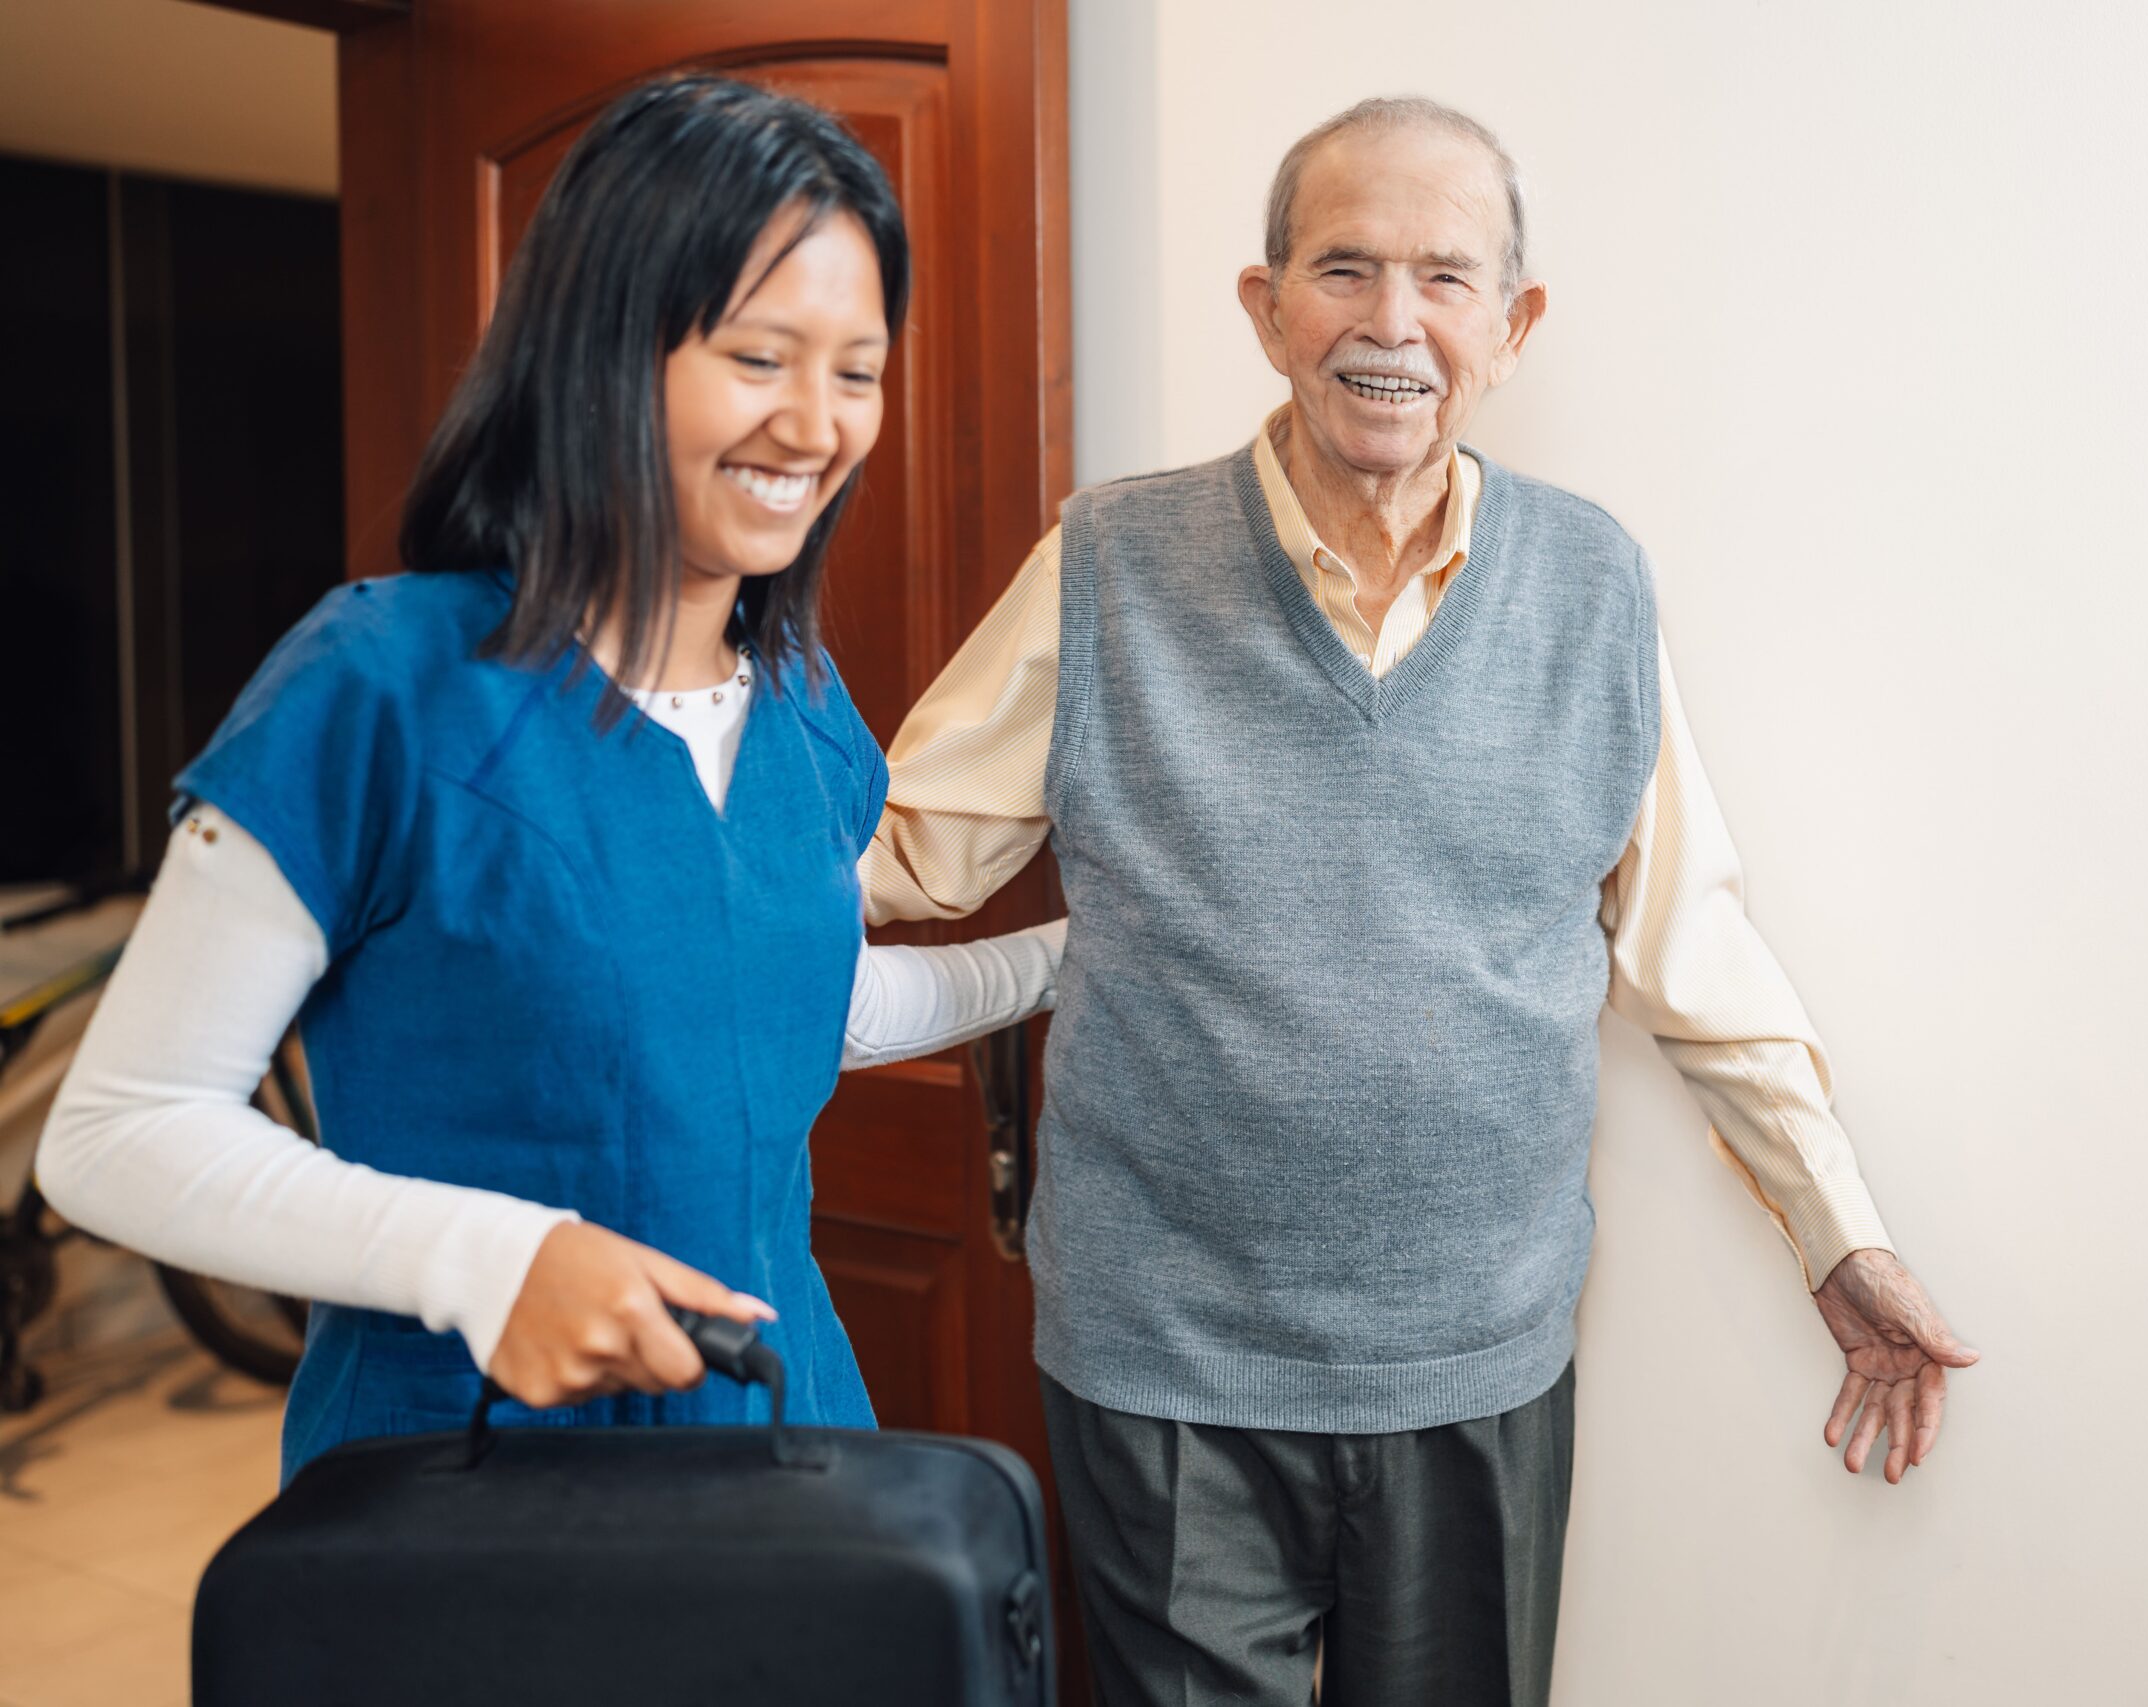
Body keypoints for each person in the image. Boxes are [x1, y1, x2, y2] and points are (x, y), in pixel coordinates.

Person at [860, 96, 1979, 1705]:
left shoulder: (1592, 587)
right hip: (1165, 1365)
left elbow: (1689, 950)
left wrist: (1838, 1234)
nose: (1393, 323)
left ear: (1512, 328)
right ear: (1265, 311)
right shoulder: (1110, 563)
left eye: (1446, 279)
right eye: (1344, 267)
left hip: (1480, 1364)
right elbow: (908, 855)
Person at [37, 75, 1062, 1483]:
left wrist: (1077, 959)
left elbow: (780, 1002)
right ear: (599, 350)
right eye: (760, 357)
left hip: (781, 1440)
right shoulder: (381, 685)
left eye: (859, 370)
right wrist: (493, 1259)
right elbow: (116, 1134)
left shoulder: (809, 713)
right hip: (467, 1487)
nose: (817, 423)